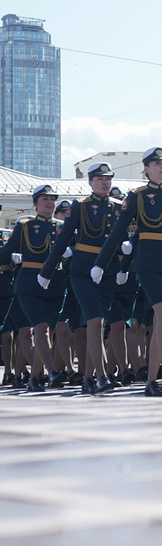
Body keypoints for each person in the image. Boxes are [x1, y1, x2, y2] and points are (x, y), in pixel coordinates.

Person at [94, 148, 162, 396]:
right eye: (157, 164)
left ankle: (152, 381)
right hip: (149, 263)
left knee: (160, 323)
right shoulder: (137, 196)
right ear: (146, 168)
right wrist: (101, 263)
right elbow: (119, 230)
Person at [39, 163, 123, 394]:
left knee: (100, 323)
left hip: (107, 271)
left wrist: (126, 255)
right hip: (83, 271)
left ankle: (88, 378)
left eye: (108, 179)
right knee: (94, 321)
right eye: (99, 179)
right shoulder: (80, 206)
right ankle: (102, 376)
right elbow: (65, 237)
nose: (105, 183)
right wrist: (46, 271)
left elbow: (123, 237)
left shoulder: (118, 207)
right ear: (90, 182)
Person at [0, 185, 66, 390]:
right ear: (36, 204)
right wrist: (8, 261)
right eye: (44, 199)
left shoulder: (62, 227)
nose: (49, 203)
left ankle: (34, 378)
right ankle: (52, 372)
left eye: (52, 199)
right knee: (40, 328)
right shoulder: (26, 226)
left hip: (55, 283)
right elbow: (8, 250)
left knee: (48, 332)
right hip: (29, 283)